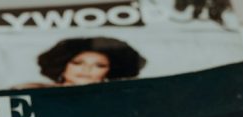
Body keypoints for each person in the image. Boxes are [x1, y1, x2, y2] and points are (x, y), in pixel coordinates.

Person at [15, 37, 146, 89]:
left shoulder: (117, 98)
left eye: (99, 65)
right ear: (63, 65)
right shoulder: (32, 89)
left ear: (110, 71)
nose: (86, 69)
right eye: (78, 63)